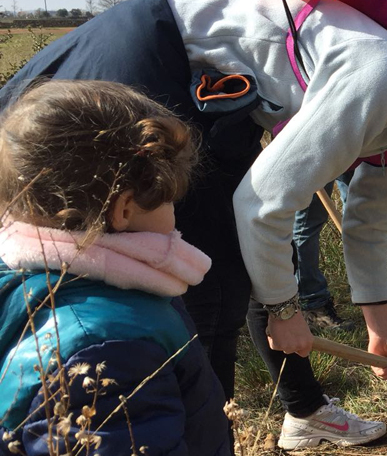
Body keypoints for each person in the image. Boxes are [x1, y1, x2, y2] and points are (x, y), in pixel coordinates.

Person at [0, 0, 387, 449]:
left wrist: (379, 328)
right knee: (188, 283)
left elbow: (368, 225)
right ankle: (143, 414)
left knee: (228, 278)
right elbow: (262, 205)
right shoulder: (382, 76)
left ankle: (217, 424)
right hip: (154, 55)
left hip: (219, 98)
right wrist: (285, 311)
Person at [0, 80, 230, 456]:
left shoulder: (20, 270)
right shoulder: (108, 350)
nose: (175, 216)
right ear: (123, 210)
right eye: (169, 201)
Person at [293, 172, 387, 331]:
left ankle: (371, 288)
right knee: (308, 222)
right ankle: (312, 307)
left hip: (352, 151)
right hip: (315, 153)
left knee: (362, 217)